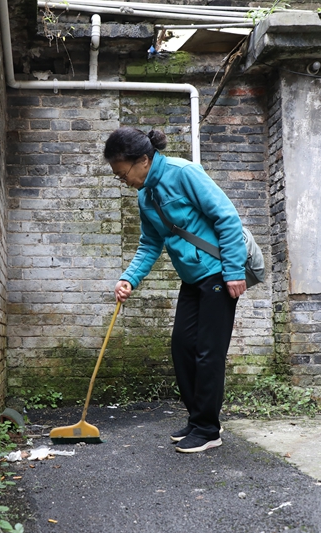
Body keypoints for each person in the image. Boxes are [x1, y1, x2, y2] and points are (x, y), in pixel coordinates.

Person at [105, 127, 247, 453]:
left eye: (122, 172)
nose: (122, 179)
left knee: (209, 353)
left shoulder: (185, 173)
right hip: (192, 278)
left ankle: (209, 430)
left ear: (143, 160)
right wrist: (130, 278)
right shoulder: (145, 196)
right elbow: (150, 243)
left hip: (217, 274)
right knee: (182, 346)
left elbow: (226, 217)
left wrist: (235, 271)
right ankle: (198, 419)